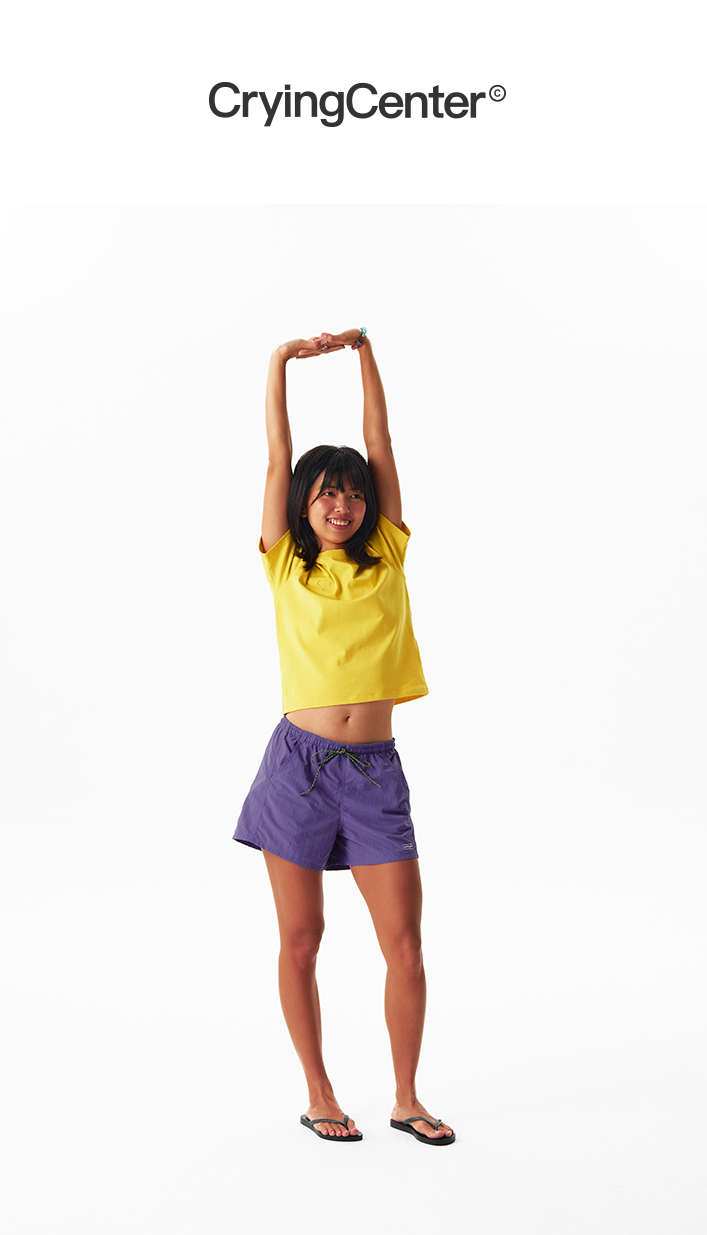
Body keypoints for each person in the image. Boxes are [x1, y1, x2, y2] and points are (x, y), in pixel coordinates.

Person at [234, 327, 455, 1146]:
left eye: (353, 494)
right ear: (304, 504)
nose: (341, 504)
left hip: (372, 772)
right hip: (295, 769)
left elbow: (380, 440)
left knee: (405, 941)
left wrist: (363, 353)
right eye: (327, 494)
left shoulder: (386, 552)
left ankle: (406, 1097)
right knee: (302, 939)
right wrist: (278, 365)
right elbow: (274, 457)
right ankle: (319, 1092)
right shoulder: (285, 562)